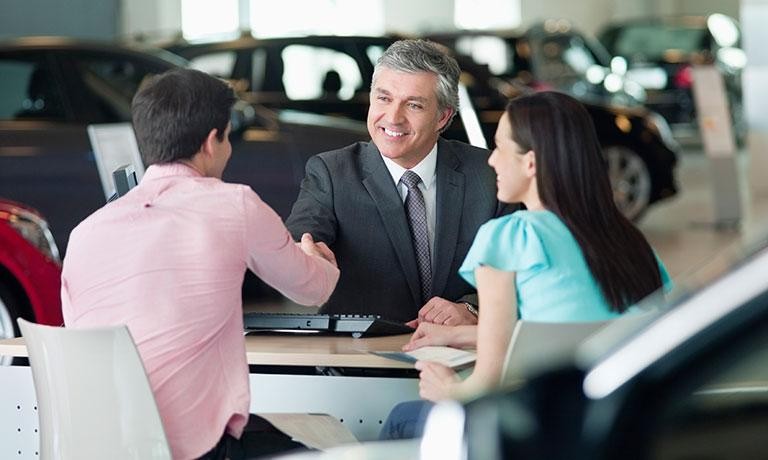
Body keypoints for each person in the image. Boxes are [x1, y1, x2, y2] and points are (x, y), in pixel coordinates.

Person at [61, 68, 340, 460]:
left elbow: (79, 331)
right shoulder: (234, 204)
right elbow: (313, 289)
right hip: (199, 450)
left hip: (104, 446)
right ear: (212, 141)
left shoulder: (84, 233)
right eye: (228, 138)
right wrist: (317, 258)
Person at [381, 91, 670, 439]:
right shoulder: (629, 240)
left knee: (402, 416)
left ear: (530, 163)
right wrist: (463, 335)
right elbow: (574, 332)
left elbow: (485, 389)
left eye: (501, 148)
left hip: (536, 431)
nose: (492, 161)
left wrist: (447, 390)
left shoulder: (510, 237)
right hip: (616, 430)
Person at [286, 39, 515, 325]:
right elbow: (302, 239)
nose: (393, 118)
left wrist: (471, 308)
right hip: (360, 358)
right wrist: (305, 259)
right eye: (384, 99)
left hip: (459, 353)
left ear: (443, 117)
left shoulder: (488, 173)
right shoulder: (331, 172)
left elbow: (516, 269)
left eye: (414, 105)